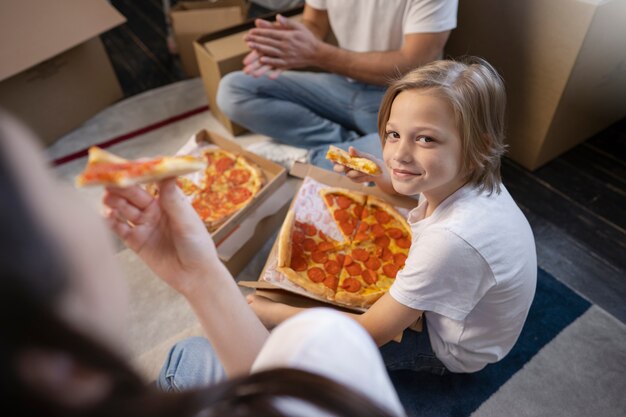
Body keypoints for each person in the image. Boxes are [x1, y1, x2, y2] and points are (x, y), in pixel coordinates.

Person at [0, 112, 405, 416]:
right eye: (51, 189)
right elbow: (290, 395)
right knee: (190, 357)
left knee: (187, 353)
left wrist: (198, 276)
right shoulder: (324, 343)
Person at [247, 57, 538, 374]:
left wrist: (270, 313)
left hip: (447, 349)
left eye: (425, 138)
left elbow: (366, 332)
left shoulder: (450, 241)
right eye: (393, 133)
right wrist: (385, 179)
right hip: (470, 300)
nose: (398, 154)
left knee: (298, 351)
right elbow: (427, 184)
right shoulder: (476, 175)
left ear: (477, 147)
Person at [216, 0, 458, 169]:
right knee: (234, 90)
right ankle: (347, 144)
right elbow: (314, 23)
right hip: (342, 86)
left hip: (401, 97)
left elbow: (413, 62)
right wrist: (287, 43)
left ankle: (311, 157)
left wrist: (318, 54)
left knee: (423, 168)